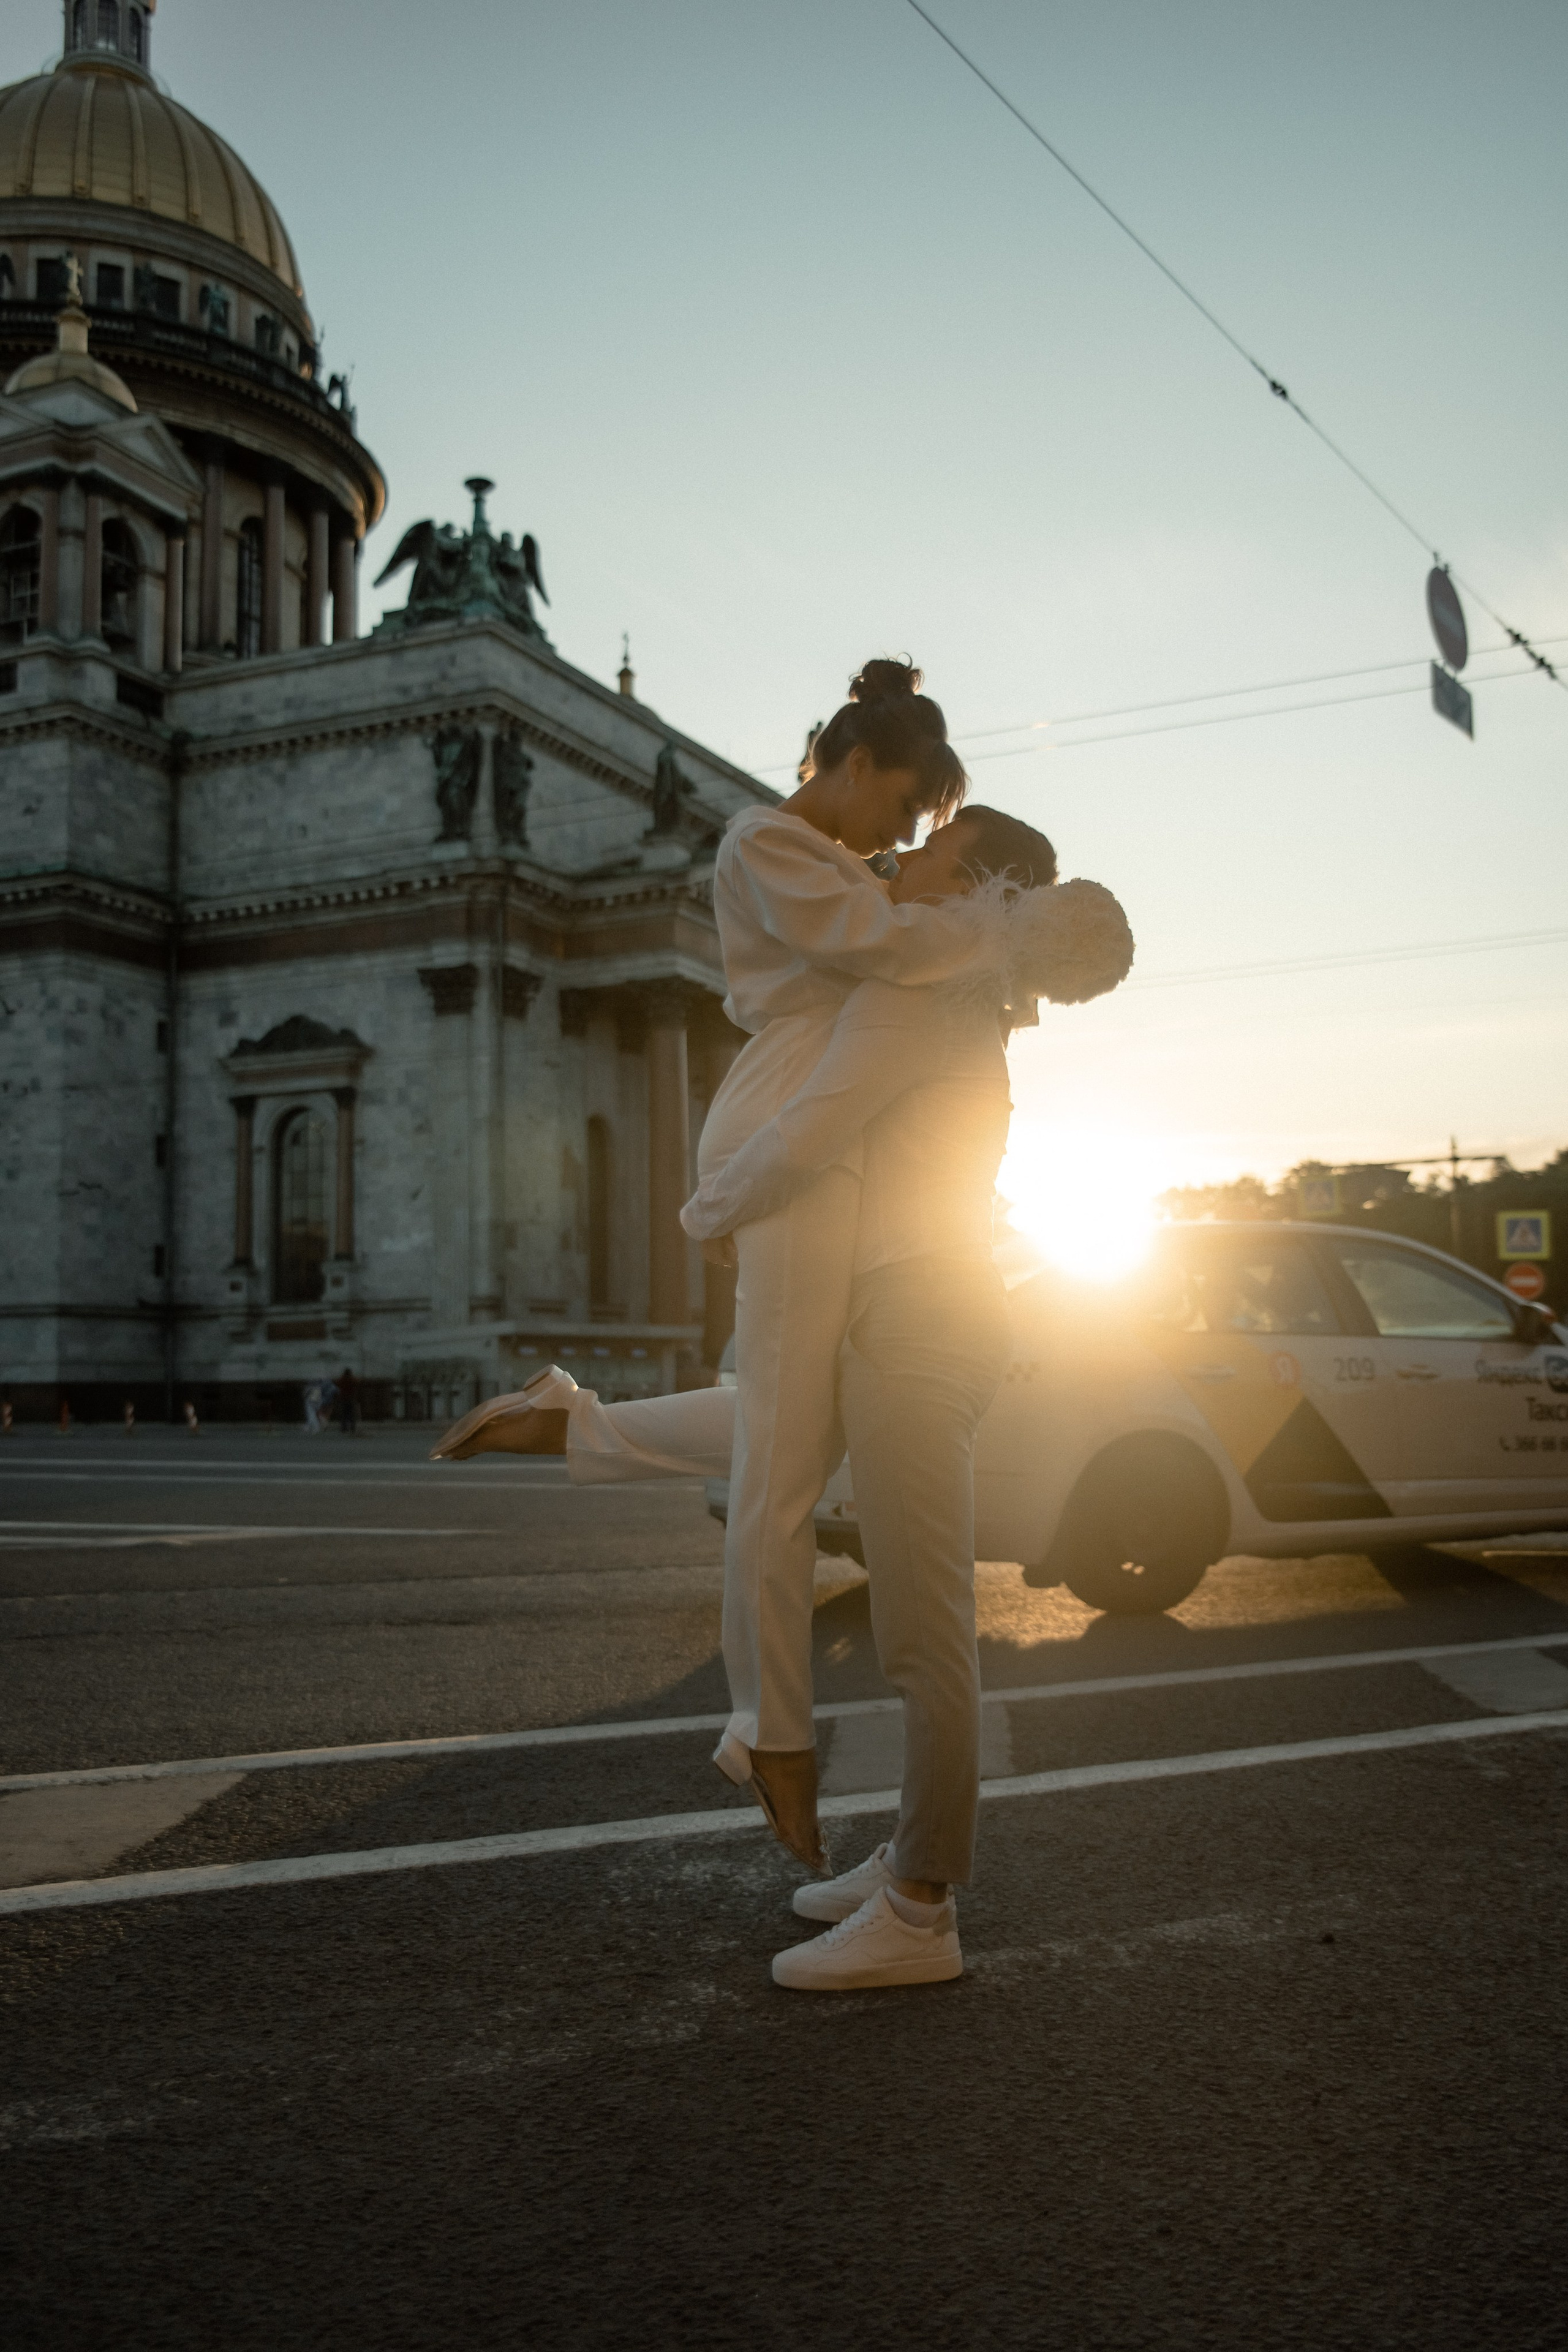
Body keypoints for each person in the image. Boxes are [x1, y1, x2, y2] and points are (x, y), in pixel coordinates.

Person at [434, 807, 1134, 1989]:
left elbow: (812, 1127)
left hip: (922, 1317)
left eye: (929, 849)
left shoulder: (926, 997)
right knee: (779, 1438)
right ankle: (578, 1420)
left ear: (976, 887)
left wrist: (709, 1213)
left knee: (923, 1633)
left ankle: (923, 1911)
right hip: (900, 1311)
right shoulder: (957, 992)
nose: (898, 859)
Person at [337, 1368, 361, 1436]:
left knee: (344, 1415)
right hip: (351, 1399)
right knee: (352, 1415)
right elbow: (358, 1382)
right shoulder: (352, 1379)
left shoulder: (342, 1380)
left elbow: (338, 1383)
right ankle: (353, 1428)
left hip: (343, 1399)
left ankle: (344, 1428)